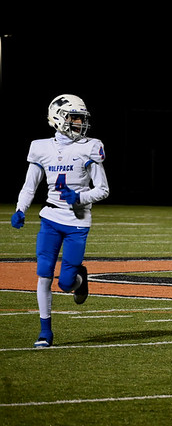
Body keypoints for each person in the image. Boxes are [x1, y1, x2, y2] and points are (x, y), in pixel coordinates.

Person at [11, 94, 110, 348]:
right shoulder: (41, 147)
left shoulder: (90, 146)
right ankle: (45, 332)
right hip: (51, 217)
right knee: (44, 273)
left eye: (80, 118)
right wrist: (21, 209)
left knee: (66, 283)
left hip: (78, 221)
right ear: (58, 118)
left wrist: (78, 197)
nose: (79, 122)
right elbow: (29, 186)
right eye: (74, 117)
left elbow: (103, 189)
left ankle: (80, 279)